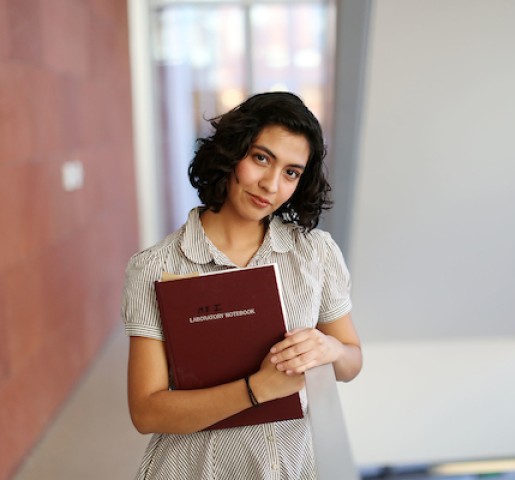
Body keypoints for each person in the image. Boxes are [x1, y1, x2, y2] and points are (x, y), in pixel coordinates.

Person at [121, 91, 362, 479]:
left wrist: (330, 347)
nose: (270, 184)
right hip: (196, 468)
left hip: (293, 465)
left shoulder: (315, 254)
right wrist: (258, 388)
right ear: (232, 153)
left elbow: (351, 364)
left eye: (291, 172)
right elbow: (147, 412)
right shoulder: (154, 267)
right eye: (261, 158)